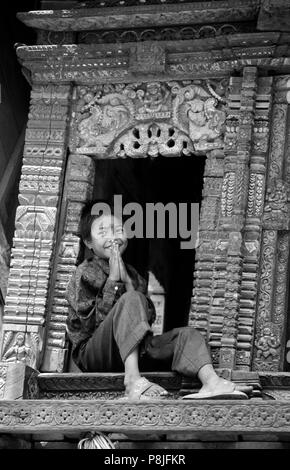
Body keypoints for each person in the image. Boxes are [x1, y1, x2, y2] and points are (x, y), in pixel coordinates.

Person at [65, 201, 247, 400]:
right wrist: (113, 281)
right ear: (88, 242)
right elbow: (93, 324)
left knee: (188, 335)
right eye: (103, 232)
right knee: (132, 298)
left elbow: (145, 321)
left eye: (118, 229)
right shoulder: (82, 274)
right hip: (95, 353)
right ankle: (133, 380)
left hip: (137, 349)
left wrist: (127, 281)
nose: (113, 238)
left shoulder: (134, 275)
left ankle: (211, 382)